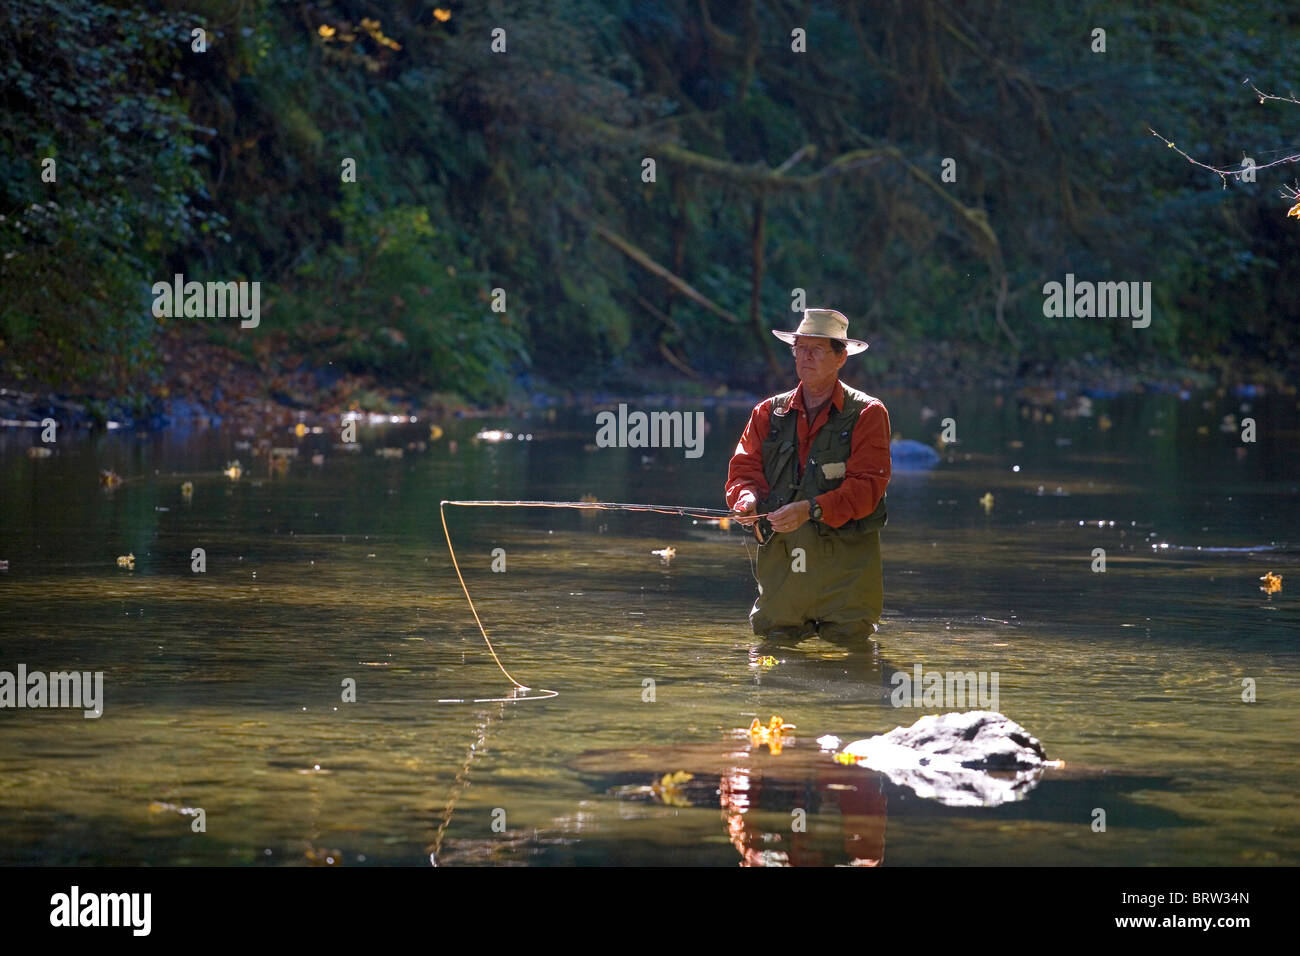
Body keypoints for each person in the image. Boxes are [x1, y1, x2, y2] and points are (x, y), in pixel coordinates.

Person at [725, 309, 892, 647]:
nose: (805, 357)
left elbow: (867, 489)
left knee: (856, 662)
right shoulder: (766, 412)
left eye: (816, 350)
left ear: (840, 357)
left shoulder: (869, 414)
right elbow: (743, 471)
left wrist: (809, 509)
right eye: (799, 348)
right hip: (783, 568)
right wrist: (745, 501)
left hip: (846, 571)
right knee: (772, 661)